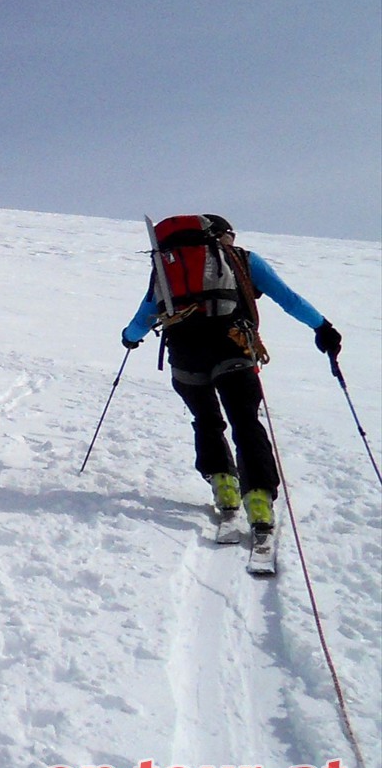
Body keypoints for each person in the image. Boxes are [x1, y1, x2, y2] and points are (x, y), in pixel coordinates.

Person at [120, 214, 342, 535]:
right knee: (246, 421)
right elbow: (288, 299)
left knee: (206, 420)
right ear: (222, 235)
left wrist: (130, 337)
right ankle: (259, 501)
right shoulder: (243, 260)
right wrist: (322, 326)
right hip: (233, 347)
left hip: (184, 353)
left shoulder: (168, 267)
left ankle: (224, 485)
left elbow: (145, 315)